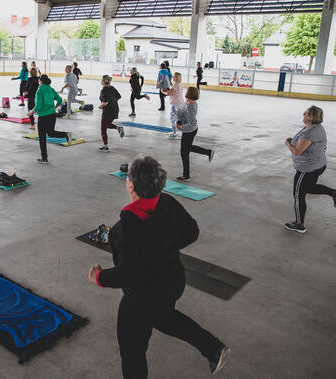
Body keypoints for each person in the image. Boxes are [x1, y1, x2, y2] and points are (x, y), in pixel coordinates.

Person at [87, 155, 230, 378]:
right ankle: (212, 347)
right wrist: (164, 247)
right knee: (162, 316)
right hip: (173, 280)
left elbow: (129, 274)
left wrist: (99, 277)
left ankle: (211, 347)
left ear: (131, 185)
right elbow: (192, 232)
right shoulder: (167, 202)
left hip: (143, 296)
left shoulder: (129, 224)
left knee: (132, 350)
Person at [284, 105, 336, 233]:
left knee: (298, 195)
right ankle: (334, 193)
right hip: (318, 165)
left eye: (305, 113)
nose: (303, 115)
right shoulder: (316, 128)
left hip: (307, 169)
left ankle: (299, 224)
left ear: (311, 117)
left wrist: (288, 144)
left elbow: (297, 151)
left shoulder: (310, 132)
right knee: (308, 188)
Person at [27, 74, 71, 164]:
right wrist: (55, 107)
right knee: (51, 133)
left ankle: (44, 158)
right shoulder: (51, 89)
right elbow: (59, 99)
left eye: (39, 81)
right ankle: (65, 134)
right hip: (52, 114)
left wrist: (31, 112)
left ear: (41, 81)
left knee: (42, 137)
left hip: (43, 116)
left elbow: (38, 105)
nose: (38, 83)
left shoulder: (39, 91)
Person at [175, 86, 214, 181]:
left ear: (188, 94)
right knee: (187, 148)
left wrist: (181, 127)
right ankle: (208, 152)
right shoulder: (192, 103)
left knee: (184, 153)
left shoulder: (189, 107)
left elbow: (193, 122)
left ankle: (186, 175)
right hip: (191, 130)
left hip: (189, 131)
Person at [98, 75, 124, 152]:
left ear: (103, 81)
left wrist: (100, 106)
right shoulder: (112, 88)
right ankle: (118, 128)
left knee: (103, 129)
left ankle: (106, 147)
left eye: (101, 80)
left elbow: (105, 102)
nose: (100, 81)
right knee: (107, 125)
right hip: (115, 110)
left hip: (107, 111)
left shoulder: (103, 90)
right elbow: (119, 97)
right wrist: (113, 102)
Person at [165, 72, 184, 140]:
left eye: (173, 76)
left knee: (174, 119)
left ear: (176, 78)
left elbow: (168, 93)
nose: (172, 77)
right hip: (179, 104)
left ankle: (176, 133)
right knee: (176, 118)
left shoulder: (176, 85)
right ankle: (174, 132)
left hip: (177, 104)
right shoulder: (179, 85)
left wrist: (162, 91)